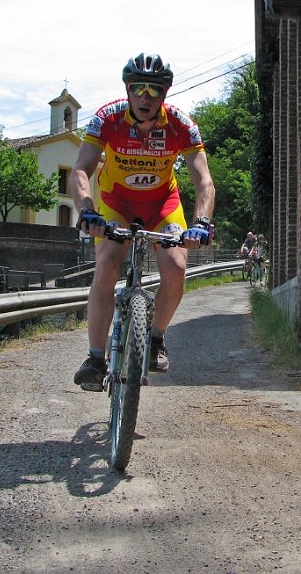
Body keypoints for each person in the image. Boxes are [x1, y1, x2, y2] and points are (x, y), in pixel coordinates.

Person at [70, 52, 216, 391]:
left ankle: (156, 338)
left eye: (154, 91)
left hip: (161, 204)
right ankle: (95, 358)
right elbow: (81, 168)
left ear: (164, 94)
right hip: (115, 201)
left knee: (177, 266)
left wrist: (202, 222)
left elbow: (203, 180)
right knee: (107, 262)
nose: (145, 98)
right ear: (128, 90)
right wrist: (87, 210)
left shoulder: (181, 125)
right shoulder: (107, 118)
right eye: (138, 89)